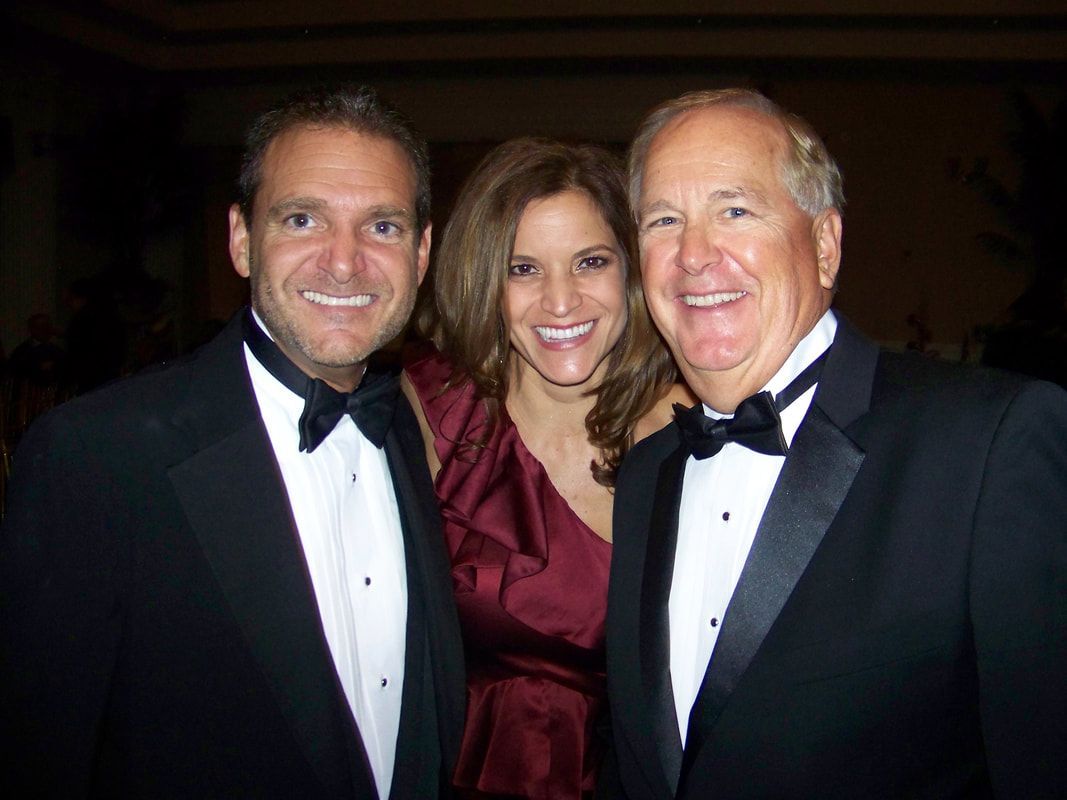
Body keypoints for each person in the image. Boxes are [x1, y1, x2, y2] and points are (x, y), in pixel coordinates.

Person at [0, 84, 465, 799]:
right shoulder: (94, 455)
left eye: (382, 227)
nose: (344, 263)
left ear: (422, 250)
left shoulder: (407, 430)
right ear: (241, 240)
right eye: (303, 219)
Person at [604, 88, 1067, 799]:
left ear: (824, 246)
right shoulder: (646, 473)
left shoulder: (987, 445)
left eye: (734, 210)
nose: (692, 255)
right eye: (663, 220)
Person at [403, 138, 691, 799]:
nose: (561, 302)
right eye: (522, 269)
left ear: (632, 270)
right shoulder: (428, 415)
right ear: (483, 281)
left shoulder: (693, 431)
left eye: (589, 261)